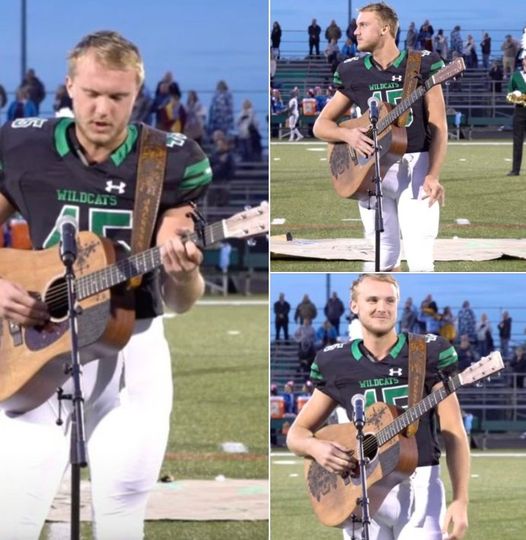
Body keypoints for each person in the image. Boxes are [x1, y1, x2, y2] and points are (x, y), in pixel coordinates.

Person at [0, 30, 212, 539]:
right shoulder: (24, 144)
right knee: (13, 517)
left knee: (120, 516)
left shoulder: (170, 160)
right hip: (37, 342)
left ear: (136, 95)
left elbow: (181, 302)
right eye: (91, 93)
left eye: (117, 97)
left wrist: (184, 273)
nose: (102, 108)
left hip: (131, 348)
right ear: (69, 87)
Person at [287, 273, 469, 540]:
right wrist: (316, 447)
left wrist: (461, 499)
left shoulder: (427, 352)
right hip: (360, 484)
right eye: (372, 299)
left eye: (389, 300)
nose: (381, 307)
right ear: (354, 306)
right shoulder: (335, 361)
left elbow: (454, 431)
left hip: (420, 485)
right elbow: (296, 434)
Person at [313, 2, 447, 272]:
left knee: (420, 257)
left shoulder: (422, 63)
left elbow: (439, 126)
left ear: (385, 28)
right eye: (356, 25)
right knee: (384, 257)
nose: (355, 31)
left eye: (363, 24)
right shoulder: (352, 70)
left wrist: (433, 173)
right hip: (370, 168)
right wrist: (348, 134)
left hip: (415, 165)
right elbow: (321, 126)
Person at [506, 54, 526, 176]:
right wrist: (516, 98)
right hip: (520, 112)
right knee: (517, 141)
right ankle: (515, 169)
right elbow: (508, 96)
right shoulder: (516, 76)